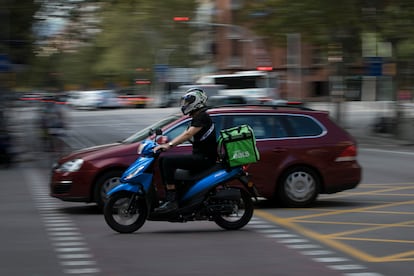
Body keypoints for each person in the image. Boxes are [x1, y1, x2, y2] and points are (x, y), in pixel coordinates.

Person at [153, 88, 218, 213]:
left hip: (204, 159)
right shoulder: (198, 116)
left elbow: (188, 134)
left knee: (167, 161)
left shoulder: (202, 116)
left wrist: (169, 145)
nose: (185, 105)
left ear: (197, 101)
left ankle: (172, 201)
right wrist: (166, 142)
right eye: (185, 102)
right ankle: (172, 196)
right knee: (162, 161)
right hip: (201, 156)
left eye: (188, 102)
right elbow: (185, 133)